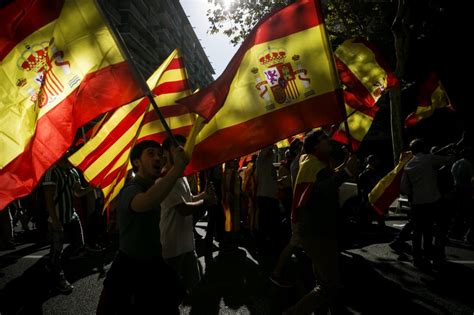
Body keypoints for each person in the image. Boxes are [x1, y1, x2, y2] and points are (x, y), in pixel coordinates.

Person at [97, 140, 189, 314]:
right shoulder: (132, 188)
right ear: (136, 162)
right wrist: (176, 170)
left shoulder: (156, 185)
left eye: (161, 155)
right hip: (129, 270)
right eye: (151, 153)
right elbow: (144, 203)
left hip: (154, 265)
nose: (158, 158)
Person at [285, 130, 359, 314]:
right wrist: (347, 171)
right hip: (317, 232)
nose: (329, 141)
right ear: (316, 145)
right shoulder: (311, 163)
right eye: (325, 138)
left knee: (324, 282)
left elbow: (326, 178)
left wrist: (345, 166)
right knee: (329, 286)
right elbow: (320, 190)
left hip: (320, 230)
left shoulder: (315, 163)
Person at [160, 135, 216, 293]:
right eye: (177, 149)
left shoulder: (181, 177)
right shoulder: (164, 179)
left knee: (192, 288)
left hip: (187, 245)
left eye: (183, 149)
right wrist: (205, 201)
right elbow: (183, 208)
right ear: (165, 152)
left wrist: (204, 194)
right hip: (172, 249)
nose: (182, 153)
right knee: (171, 295)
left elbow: (190, 198)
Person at [400, 139, 454, 269]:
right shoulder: (429, 159)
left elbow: (404, 188)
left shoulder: (408, 166)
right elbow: (448, 160)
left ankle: (417, 258)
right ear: (423, 148)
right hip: (433, 201)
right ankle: (430, 254)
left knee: (418, 231)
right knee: (431, 230)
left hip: (418, 203)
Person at [42, 154, 92, 293]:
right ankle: (58, 277)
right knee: (57, 249)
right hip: (56, 217)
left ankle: (54, 265)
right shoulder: (52, 171)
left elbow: (78, 192)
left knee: (79, 244)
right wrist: (55, 221)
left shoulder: (73, 172)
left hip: (71, 215)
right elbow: (49, 199)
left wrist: (91, 187)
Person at [451, 147, 474, 243]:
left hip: (457, 187)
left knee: (459, 210)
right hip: (466, 188)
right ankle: (465, 233)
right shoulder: (469, 164)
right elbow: (471, 177)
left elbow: (452, 172)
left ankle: (455, 231)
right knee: (467, 210)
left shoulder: (456, 163)